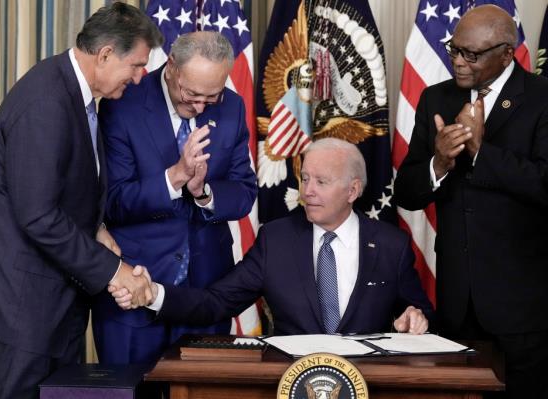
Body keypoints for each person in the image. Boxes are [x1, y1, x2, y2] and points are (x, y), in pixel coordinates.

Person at [0, 3, 163, 399]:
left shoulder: (74, 92)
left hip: (53, 297)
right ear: (104, 55)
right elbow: (38, 216)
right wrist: (113, 270)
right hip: (24, 303)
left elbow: (64, 185)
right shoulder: (46, 103)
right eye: (136, 65)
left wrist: (97, 227)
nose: (139, 79)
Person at [114, 138, 433, 336]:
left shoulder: (391, 245)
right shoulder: (276, 240)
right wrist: (154, 293)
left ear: (353, 190)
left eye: (321, 181)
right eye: (305, 178)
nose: (308, 191)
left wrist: (415, 319)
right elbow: (216, 302)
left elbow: (417, 313)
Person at [394, 5, 548, 398]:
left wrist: (481, 152)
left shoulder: (540, 98)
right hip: (457, 303)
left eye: (472, 55)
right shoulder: (435, 99)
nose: (459, 63)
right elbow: (407, 193)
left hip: (522, 307)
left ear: (506, 53)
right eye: (454, 50)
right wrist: (439, 162)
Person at [91, 31, 257, 365]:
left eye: (210, 98)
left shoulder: (232, 106)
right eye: (192, 93)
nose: (199, 106)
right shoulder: (123, 101)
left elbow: (244, 193)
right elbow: (113, 202)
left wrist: (203, 192)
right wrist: (174, 178)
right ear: (171, 68)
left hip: (204, 295)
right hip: (134, 291)